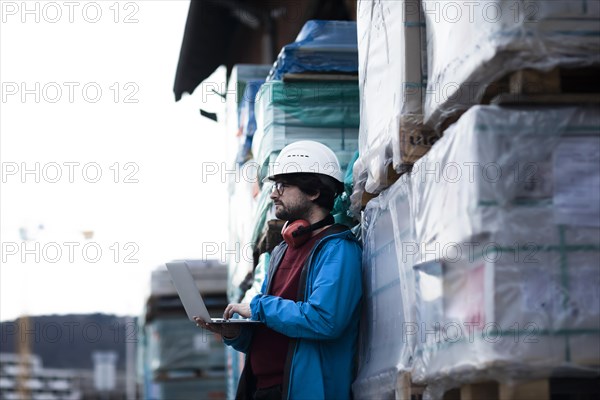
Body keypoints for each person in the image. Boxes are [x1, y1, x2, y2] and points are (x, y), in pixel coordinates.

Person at [195, 140, 363, 400]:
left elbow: (325, 320)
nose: (273, 194)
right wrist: (234, 333)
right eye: (274, 186)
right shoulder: (280, 253)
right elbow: (268, 326)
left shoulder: (338, 250)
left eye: (282, 186)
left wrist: (260, 306)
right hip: (261, 390)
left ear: (314, 191)